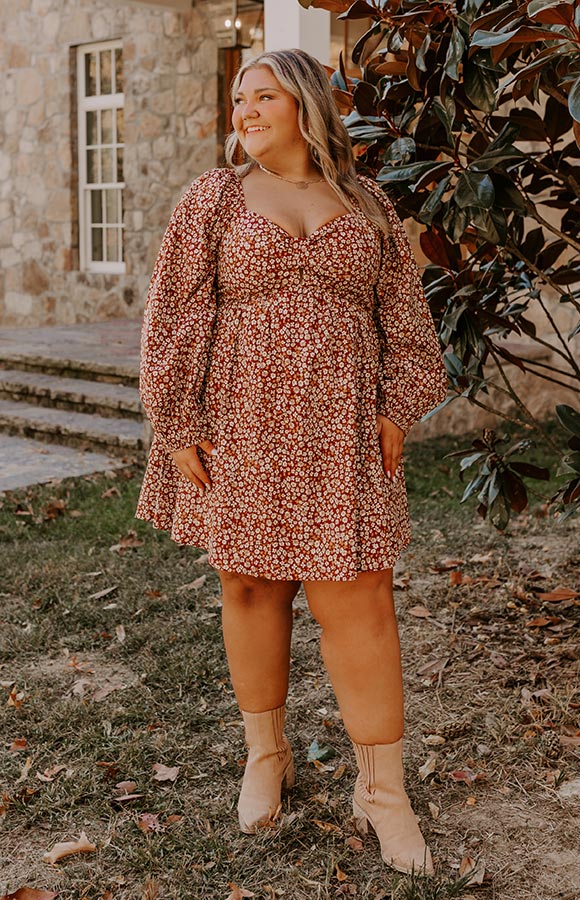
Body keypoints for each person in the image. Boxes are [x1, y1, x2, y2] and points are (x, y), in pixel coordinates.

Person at [136, 48, 446, 875]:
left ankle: (382, 790)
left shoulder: (368, 204)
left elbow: (407, 325)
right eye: (239, 97)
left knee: (360, 595)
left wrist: (393, 407)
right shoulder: (213, 198)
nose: (245, 109)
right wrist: (178, 421)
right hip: (242, 420)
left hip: (341, 427)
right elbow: (170, 316)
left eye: (264, 95)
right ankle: (266, 754)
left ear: (306, 105)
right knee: (249, 582)